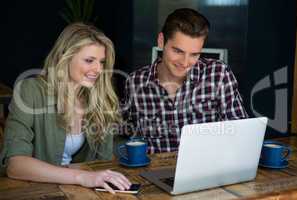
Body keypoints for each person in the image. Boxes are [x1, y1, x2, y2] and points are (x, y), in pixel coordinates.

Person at [0, 23, 131, 194]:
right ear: (65, 57)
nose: (98, 69)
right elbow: (15, 165)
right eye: (89, 60)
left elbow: (102, 163)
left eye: (101, 62)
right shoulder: (30, 91)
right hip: (34, 190)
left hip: (78, 192)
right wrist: (81, 177)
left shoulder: (99, 98)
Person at [122, 8, 248, 153]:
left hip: (205, 168)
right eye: (178, 51)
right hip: (153, 171)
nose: (185, 62)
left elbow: (240, 131)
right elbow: (128, 135)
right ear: (161, 41)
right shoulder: (134, 82)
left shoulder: (218, 74)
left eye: (194, 54)